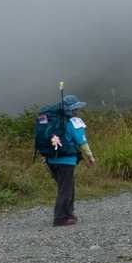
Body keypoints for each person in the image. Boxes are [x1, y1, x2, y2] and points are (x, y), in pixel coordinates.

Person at [41, 94, 95, 226]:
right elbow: (82, 142)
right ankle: (61, 218)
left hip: (50, 160)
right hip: (66, 160)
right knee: (66, 189)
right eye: (76, 109)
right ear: (72, 110)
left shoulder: (51, 120)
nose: (77, 111)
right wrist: (90, 157)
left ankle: (69, 214)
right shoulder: (74, 122)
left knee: (64, 187)